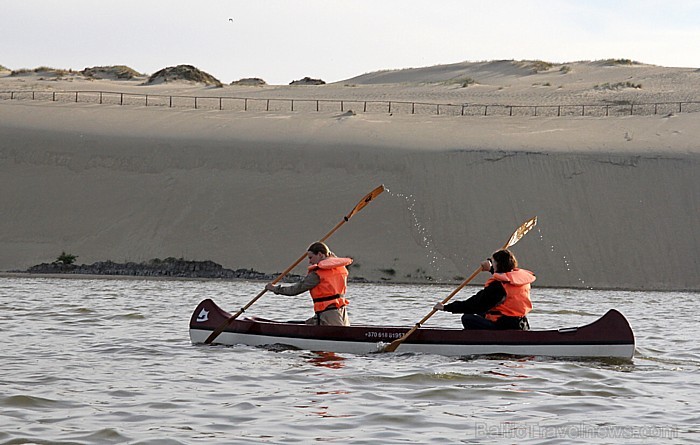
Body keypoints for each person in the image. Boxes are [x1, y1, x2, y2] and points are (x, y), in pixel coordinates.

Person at [434, 249, 535, 330]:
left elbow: (475, 304)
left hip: (503, 326)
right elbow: (504, 278)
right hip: (520, 323)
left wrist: (446, 308)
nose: (492, 263)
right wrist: (491, 267)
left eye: (493, 261)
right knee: (483, 314)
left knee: (467, 318)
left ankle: (477, 341)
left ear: (499, 264)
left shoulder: (497, 287)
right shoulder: (519, 280)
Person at [265, 242, 352, 326]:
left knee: (333, 332)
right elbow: (331, 257)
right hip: (341, 312)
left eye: (311, 257)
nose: (310, 262)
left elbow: (295, 290)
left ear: (320, 255)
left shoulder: (317, 274)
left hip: (328, 314)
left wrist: (274, 289)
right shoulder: (340, 268)